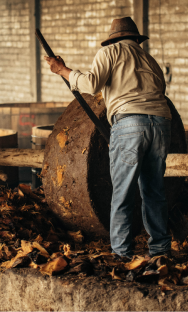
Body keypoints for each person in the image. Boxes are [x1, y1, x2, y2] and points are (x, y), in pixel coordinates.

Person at [45, 17, 172, 258]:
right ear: (136, 39)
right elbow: (160, 92)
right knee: (154, 191)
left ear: (114, 39)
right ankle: (160, 250)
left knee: (123, 192)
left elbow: (92, 85)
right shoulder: (150, 60)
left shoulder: (110, 52)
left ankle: (122, 253)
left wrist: (62, 70)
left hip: (130, 123)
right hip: (162, 123)